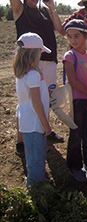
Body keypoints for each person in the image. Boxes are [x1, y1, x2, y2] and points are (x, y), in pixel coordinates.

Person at [9, 0, 65, 152]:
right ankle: (21, 140)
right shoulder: (20, 9)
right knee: (25, 100)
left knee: (45, 97)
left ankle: (44, 129)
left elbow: (61, 30)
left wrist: (52, 8)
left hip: (48, 59)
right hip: (28, 60)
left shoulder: (43, 11)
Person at [13, 32, 52, 186]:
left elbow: (29, 96)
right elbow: (36, 102)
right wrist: (46, 124)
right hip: (36, 122)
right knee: (37, 155)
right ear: (33, 54)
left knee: (32, 156)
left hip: (26, 121)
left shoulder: (21, 73)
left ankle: (36, 180)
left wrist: (44, 92)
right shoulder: (34, 74)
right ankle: (36, 188)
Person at [63, 19, 87, 182]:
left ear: (86, 37)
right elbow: (73, 81)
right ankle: (75, 167)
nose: (73, 40)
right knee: (76, 134)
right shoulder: (69, 56)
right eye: (70, 37)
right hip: (78, 101)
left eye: (76, 36)